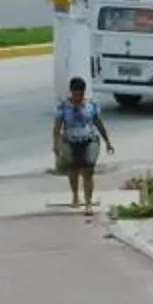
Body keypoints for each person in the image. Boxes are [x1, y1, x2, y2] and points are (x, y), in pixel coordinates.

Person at [52, 78, 115, 210]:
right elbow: (57, 128)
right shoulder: (63, 107)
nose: (78, 98)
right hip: (70, 141)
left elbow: (99, 123)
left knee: (88, 171)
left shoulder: (91, 106)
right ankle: (75, 195)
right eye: (75, 94)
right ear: (71, 92)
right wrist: (56, 145)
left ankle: (88, 203)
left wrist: (107, 142)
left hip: (89, 140)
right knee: (73, 169)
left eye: (80, 94)